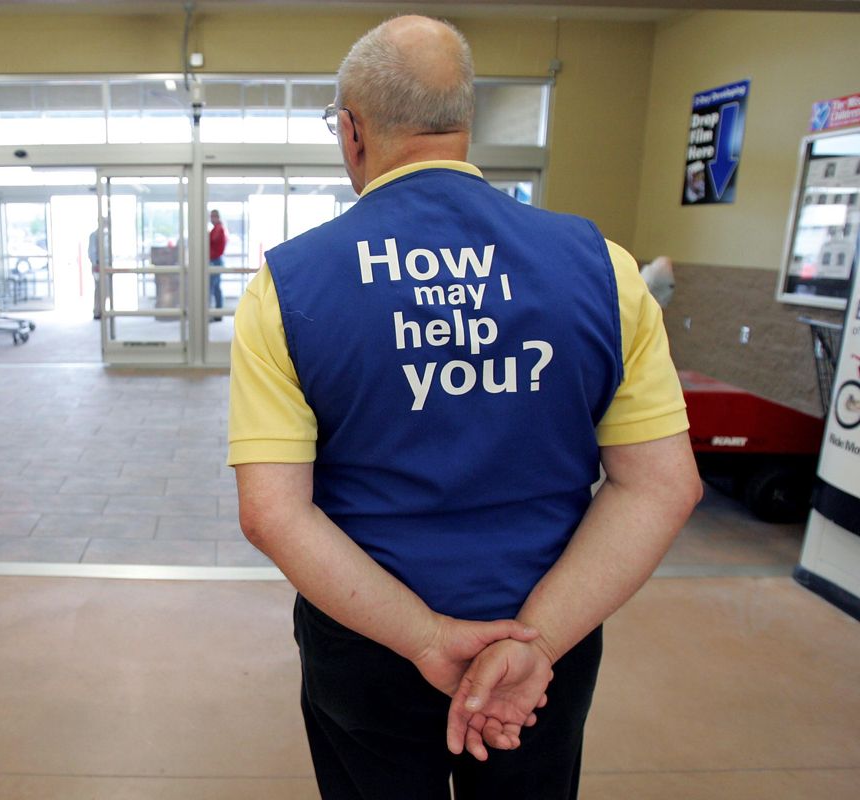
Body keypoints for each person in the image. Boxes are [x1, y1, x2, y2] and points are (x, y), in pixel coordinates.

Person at [227, 16, 702, 800]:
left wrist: (427, 638)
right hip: (542, 649)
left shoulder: (287, 288)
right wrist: (538, 641)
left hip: (369, 648)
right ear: (464, 122)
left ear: (352, 132)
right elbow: (662, 485)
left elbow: (272, 514)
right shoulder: (604, 270)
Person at [209, 209, 227, 312]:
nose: (212, 219)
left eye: (214, 216)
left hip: (216, 260)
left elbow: (213, 241)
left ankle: (216, 312)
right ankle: (217, 311)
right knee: (215, 287)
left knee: (213, 287)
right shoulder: (216, 228)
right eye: (211, 216)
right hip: (215, 260)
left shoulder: (219, 229)